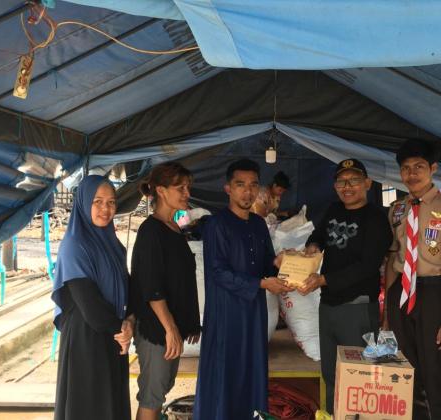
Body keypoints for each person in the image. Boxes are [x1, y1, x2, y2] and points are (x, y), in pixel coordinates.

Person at [193, 159, 293, 419]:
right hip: (226, 314)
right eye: (240, 185)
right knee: (225, 374)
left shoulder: (258, 224)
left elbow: (266, 264)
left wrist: (279, 263)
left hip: (253, 313)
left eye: (253, 185)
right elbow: (217, 272)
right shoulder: (217, 224)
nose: (247, 192)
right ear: (228, 188)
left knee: (252, 369)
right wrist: (260, 284)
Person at [298, 158, 393, 413]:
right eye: (341, 181)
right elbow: (318, 234)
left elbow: (367, 266)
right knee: (330, 373)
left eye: (354, 180)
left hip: (357, 308)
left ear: (367, 184)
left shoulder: (376, 219)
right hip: (328, 305)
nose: (347, 186)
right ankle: (333, 416)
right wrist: (313, 245)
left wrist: (323, 280)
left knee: (358, 376)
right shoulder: (333, 209)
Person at [384, 140, 441, 420]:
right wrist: (387, 313)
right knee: (407, 375)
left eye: (419, 167)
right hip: (400, 293)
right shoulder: (397, 209)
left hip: (434, 293)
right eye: (406, 168)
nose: (412, 174)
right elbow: (393, 259)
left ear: (432, 168)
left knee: (436, 374)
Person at [52, 175, 133, 420]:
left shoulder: (112, 244)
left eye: (111, 202)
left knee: (111, 404)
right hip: (86, 338)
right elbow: (89, 304)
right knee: (90, 406)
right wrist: (122, 329)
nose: (105, 209)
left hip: (114, 334)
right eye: (97, 202)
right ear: (84, 203)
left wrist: (129, 322)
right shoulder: (74, 245)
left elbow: (128, 287)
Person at [130, 162, 201, 420]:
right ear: (160, 190)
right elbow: (152, 288)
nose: (187, 193)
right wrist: (170, 329)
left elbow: (180, 281)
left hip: (170, 328)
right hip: (156, 329)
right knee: (153, 394)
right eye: (180, 188)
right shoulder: (151, 231)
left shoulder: (174, 228)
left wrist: (188, 324)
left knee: (162, 388)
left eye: (188, 187)